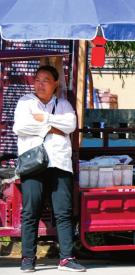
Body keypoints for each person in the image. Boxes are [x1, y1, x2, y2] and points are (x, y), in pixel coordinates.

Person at [13, 65, 85, 272]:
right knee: (30, 211)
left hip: (59, 163)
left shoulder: (63, 104)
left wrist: (44, 119)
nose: (40, 84)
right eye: (37, 80)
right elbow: (20, 127)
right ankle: (28, 258)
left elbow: (70, 125)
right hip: (32, 164)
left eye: (45, 80)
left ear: (55, 84)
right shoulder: (25, 102)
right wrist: (53, 128)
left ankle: (66, 259)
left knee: (63, 212)